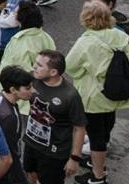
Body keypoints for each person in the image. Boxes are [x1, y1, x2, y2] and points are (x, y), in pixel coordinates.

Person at [66, 2, 129, 184]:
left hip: (93, 95)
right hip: (114, 91)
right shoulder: (121, 36)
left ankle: (98, 175)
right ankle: (98, 161)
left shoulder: (86, 41)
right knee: (105, 128)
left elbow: (71, 66)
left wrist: (83, 73)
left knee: (95, 135)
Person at [24, 50, 88, 184]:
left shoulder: (70, 96)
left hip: (54, 152)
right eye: (35, 63)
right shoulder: (33, 79)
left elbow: (79, 128)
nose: (34, 67)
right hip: (31, 143)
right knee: (30, 173)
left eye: (40, 65)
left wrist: (74, 158)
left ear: (53, 72)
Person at [0, 65, 34, 184]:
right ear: (13, 90)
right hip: (3, 170)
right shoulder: (9, 117)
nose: (31, 91)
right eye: (27, 88)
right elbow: (8, 157)